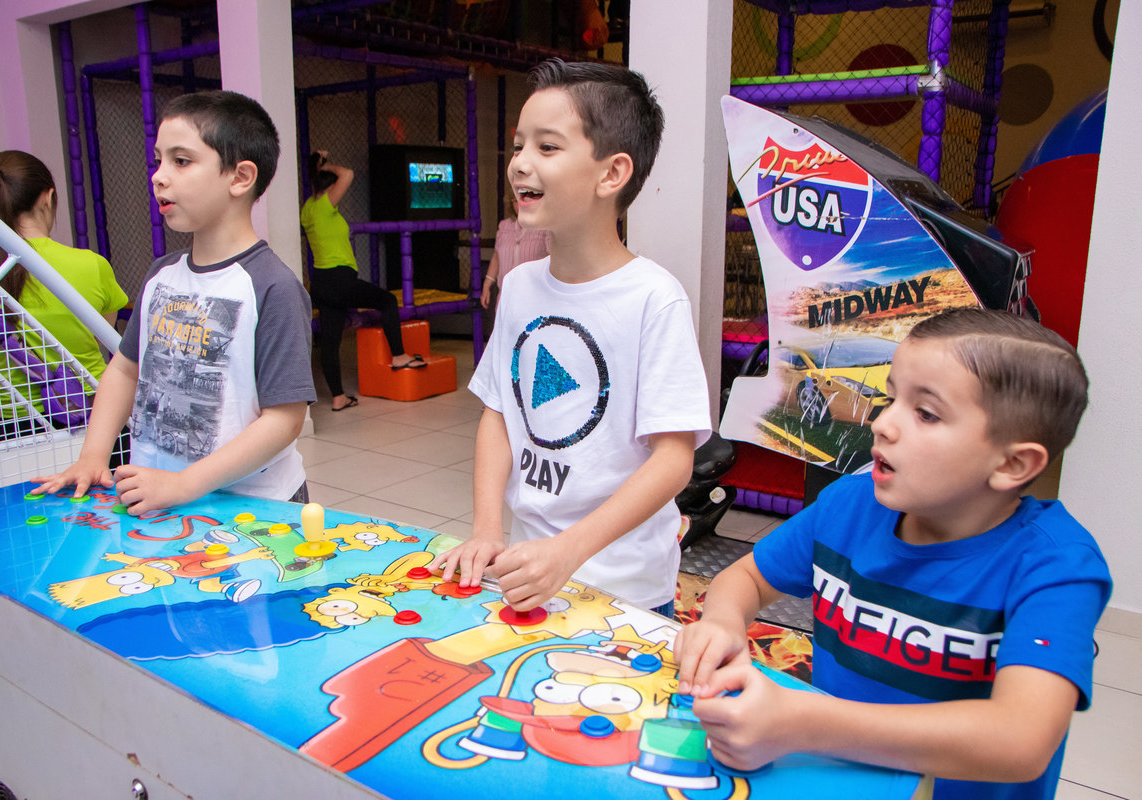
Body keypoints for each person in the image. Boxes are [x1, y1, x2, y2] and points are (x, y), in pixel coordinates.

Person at [674, 308, 1112, 800]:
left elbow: (1021, 739)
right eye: (889, 397)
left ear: (1012, 463)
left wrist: (805, 722)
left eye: (925, 413)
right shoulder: (848, 505)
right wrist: (721, 624)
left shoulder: (1057, 566)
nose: (882, 424)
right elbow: (748, 579)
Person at [430, 58, 712, 616]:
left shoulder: (654, 298)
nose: (519, 165)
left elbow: (674, 459)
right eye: (517, 146)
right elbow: (498, 413)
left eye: (547, 148)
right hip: (528, 569)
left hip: (625, 586)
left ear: (612, 174)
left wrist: (568, 552)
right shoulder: (521, 286)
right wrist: (488, 529)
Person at [34, 90, 316, 513]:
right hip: (156, 493)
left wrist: (186, 484)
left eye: (181, 161)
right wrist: (93, 457)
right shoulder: (161, 274)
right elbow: (125, 372)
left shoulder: (272, 286)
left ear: (240, 177)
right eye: (159, 160)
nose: (159, 176)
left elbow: (284, 420)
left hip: (251, 505)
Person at [0, 150, 128, 380]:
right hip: (86, 403)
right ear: (47, 197)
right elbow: (98, 336)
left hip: (6, 410)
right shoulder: (91, 264)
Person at [300, 149, 423, 412]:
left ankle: (338, 397)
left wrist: (317, 165)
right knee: (388, 300)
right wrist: (326, 163)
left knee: (331, 342)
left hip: (320, 282)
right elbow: (347, 173)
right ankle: (399, 356)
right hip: (339, 278)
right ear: (328, 185)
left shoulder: (307, 210)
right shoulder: (324, 204)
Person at [480, 192, 550, 309]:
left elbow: (554, 260)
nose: (520, 204)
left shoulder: (545, 226)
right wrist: (487, 285)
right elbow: (497, 257)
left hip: (535, 297)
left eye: (526, 199)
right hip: (506, 296)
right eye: (515, 200)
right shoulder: (504, 226)